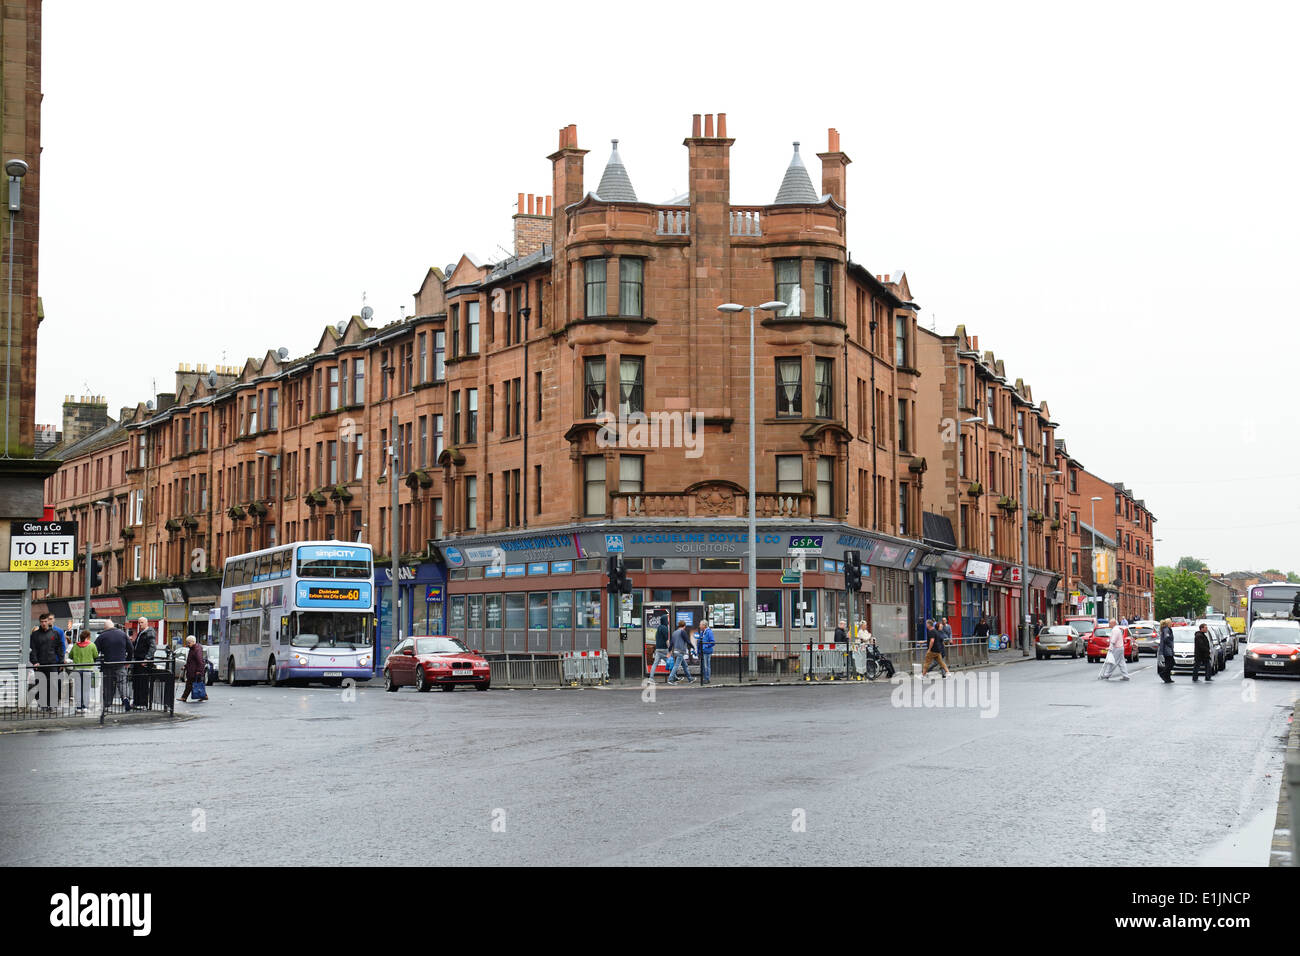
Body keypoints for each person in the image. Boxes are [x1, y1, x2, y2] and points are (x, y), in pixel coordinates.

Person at [28, 612, 65, 710]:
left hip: (52, 663)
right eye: (42, 622)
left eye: (45, 621)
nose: (43, 623)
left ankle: (52, 704)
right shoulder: (35, 635)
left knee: (52, 685)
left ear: (49, 621)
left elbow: (60, 649)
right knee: (41, 684)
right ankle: (43, 704)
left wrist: (61, 661)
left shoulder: (55, 634)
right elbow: (32, 650)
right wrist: (35, 661)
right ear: (39, 622)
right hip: (40, 664)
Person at [94, 622, 133, 711]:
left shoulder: (102, 636)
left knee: (108, 684)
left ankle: (107, 703)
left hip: (108, 664)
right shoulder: (123, 634)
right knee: (122, 682)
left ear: (105, 627)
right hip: (120, 663)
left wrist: (96, 659)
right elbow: (131, 649)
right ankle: (125, 698)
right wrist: (128, 661)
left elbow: (95, 650)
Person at [69, 629, 99, 712]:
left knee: (78, 689)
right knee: (86, 689)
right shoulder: (92, 645)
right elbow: (96, 655)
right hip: (88, 669)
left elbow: (70, 656)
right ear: (88, 637)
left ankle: (78, 707)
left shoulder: (75, 645)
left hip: (77, 669)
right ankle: (85, 707)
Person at [131, 619, 158, 709]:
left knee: (143, 683)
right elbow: (137, 646)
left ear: (146, 623)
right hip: (138, 661)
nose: (140, 624)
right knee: (137, 683)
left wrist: (147, 659)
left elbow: (153, 646)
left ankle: (142, 703)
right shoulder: (141, 633)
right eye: (139, 623)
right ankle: (137, 702)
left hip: (143, 662)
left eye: (142, 622)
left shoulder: (149, 632)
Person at [181, 635, 208, 703]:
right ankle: (204, 696)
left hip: (195, 671)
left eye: (189, 643)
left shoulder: (196, 650)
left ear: (193, 642)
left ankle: (184, 697)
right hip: (192, 671)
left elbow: (200, 661)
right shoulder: (192, 649)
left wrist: (199, 671)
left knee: (191, 684)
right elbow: (190, 661)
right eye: (187, 642)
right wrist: (185, 666)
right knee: (196, 684)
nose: (188, 644)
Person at [648, 614, 672, 682]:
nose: (668, 621)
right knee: (670, 662)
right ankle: (673, 677)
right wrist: (670, 650)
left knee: (655, 664)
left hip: (658, 649)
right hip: (664, 649)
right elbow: (667, 640)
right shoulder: (665, 628)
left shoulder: (659, 628)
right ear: (665, 620)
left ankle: (651, 678)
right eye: (667, 619)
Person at [1156, 619, 1176, 684]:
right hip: (1167, 650)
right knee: (1171, 663)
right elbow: (1166, 638)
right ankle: (1163, 674)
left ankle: (1167, 678)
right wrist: (1170, 645)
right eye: (1170, 622)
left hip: (1168, 649)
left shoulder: (1166, 629)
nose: (1171, 623)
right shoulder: (1166, 629)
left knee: (1169, 663)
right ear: (1168, 623)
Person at [697, 617, 715, 685]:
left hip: (707, 652)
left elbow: (712, 642)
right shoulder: (702, 632)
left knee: (706, 666)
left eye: (700, 625)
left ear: (704, 625)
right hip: (702, 651)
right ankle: (705, 678)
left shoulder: (709, 632)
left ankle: (707, 679)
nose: (699, 626)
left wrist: (705, 646)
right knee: (703, 666)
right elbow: (699, 641)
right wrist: (699, 650)